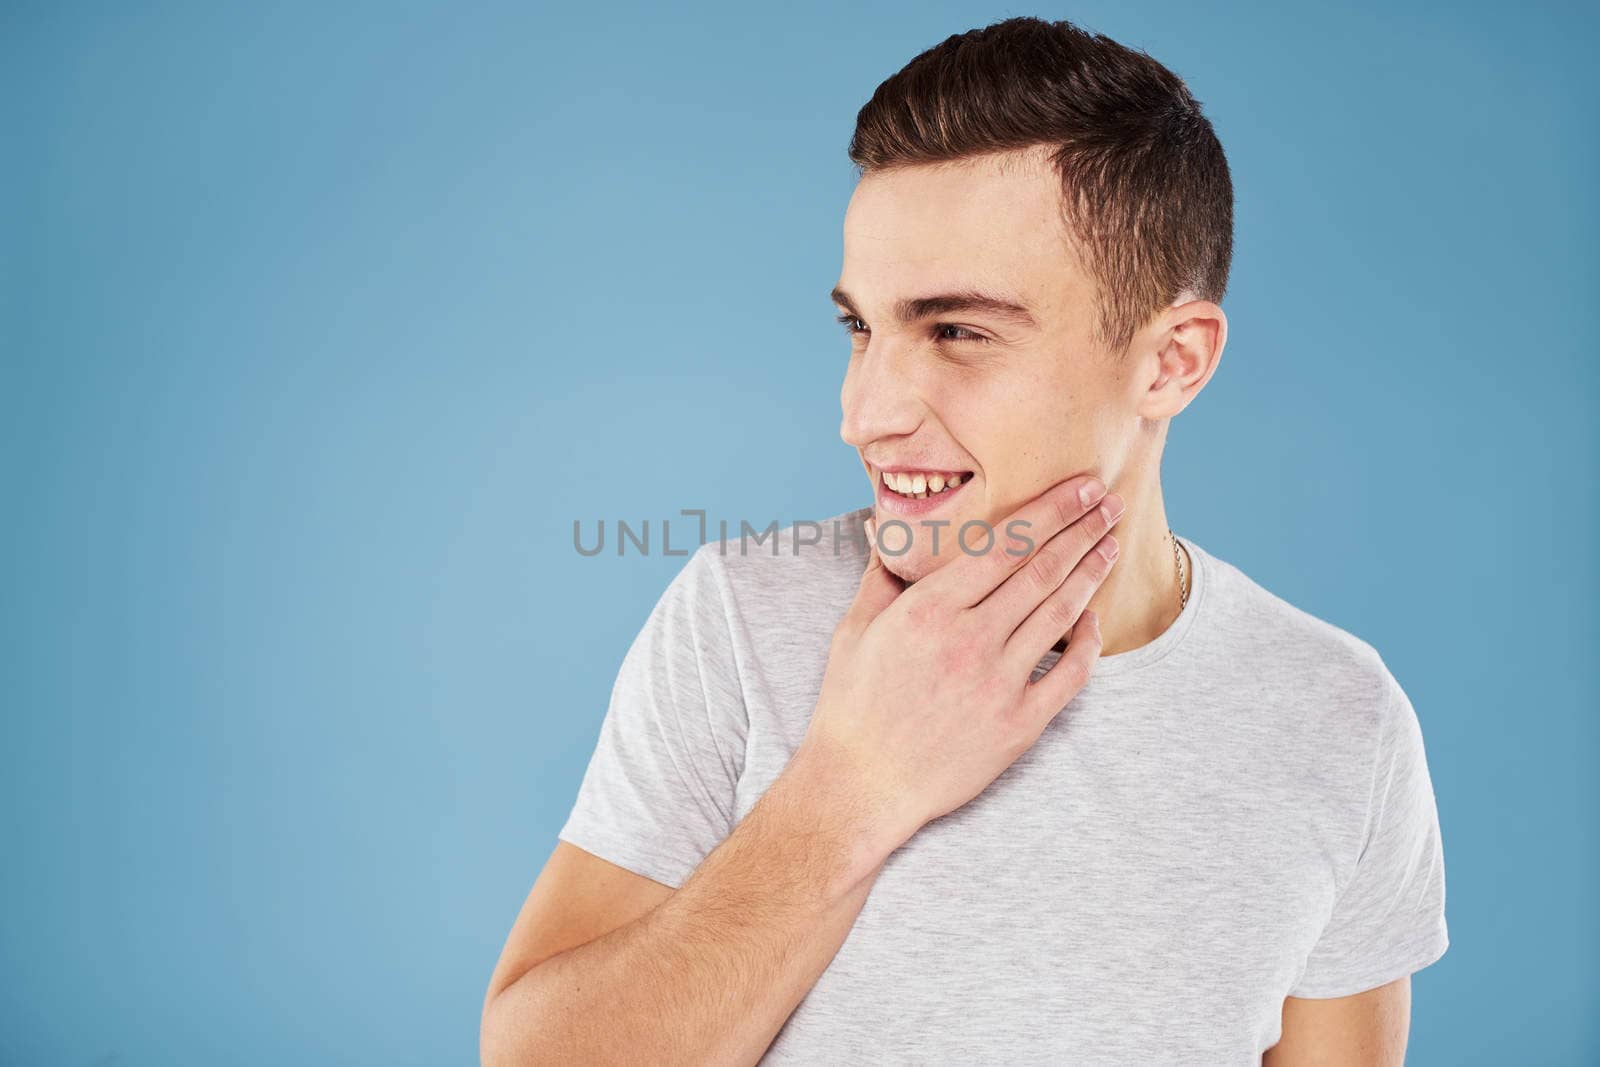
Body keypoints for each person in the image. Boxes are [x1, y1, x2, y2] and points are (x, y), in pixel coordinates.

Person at [481, 15, 1447, 1065]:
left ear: (1170, 362)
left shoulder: (1337, 717)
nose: (865, 412)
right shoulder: (738, 617)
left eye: (956, 332)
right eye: (863, 327)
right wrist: (848, 787)